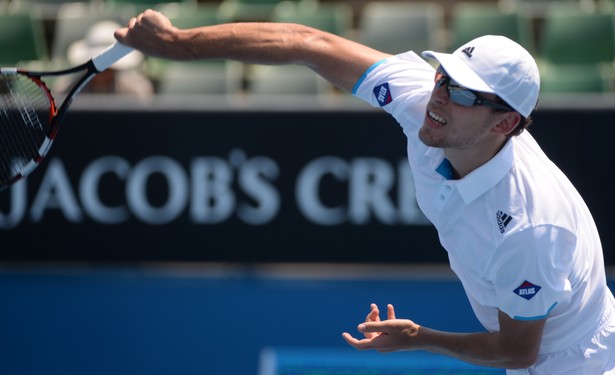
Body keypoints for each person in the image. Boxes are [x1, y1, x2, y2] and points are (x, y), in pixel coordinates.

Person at [114, 10, 615, 374]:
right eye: (443, 78)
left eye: (463, 94)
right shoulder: (424, 100)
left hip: (574, 361)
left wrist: (420, 338)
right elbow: (306, 41)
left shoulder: (529, 227)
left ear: (504, 122)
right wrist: (182, 44)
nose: (440, 96)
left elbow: (519, 351)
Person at [55, 20, 154, 97]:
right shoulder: (66, 90)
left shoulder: (136, 90)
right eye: (97, 68)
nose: (102, 72)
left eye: (107, 68)